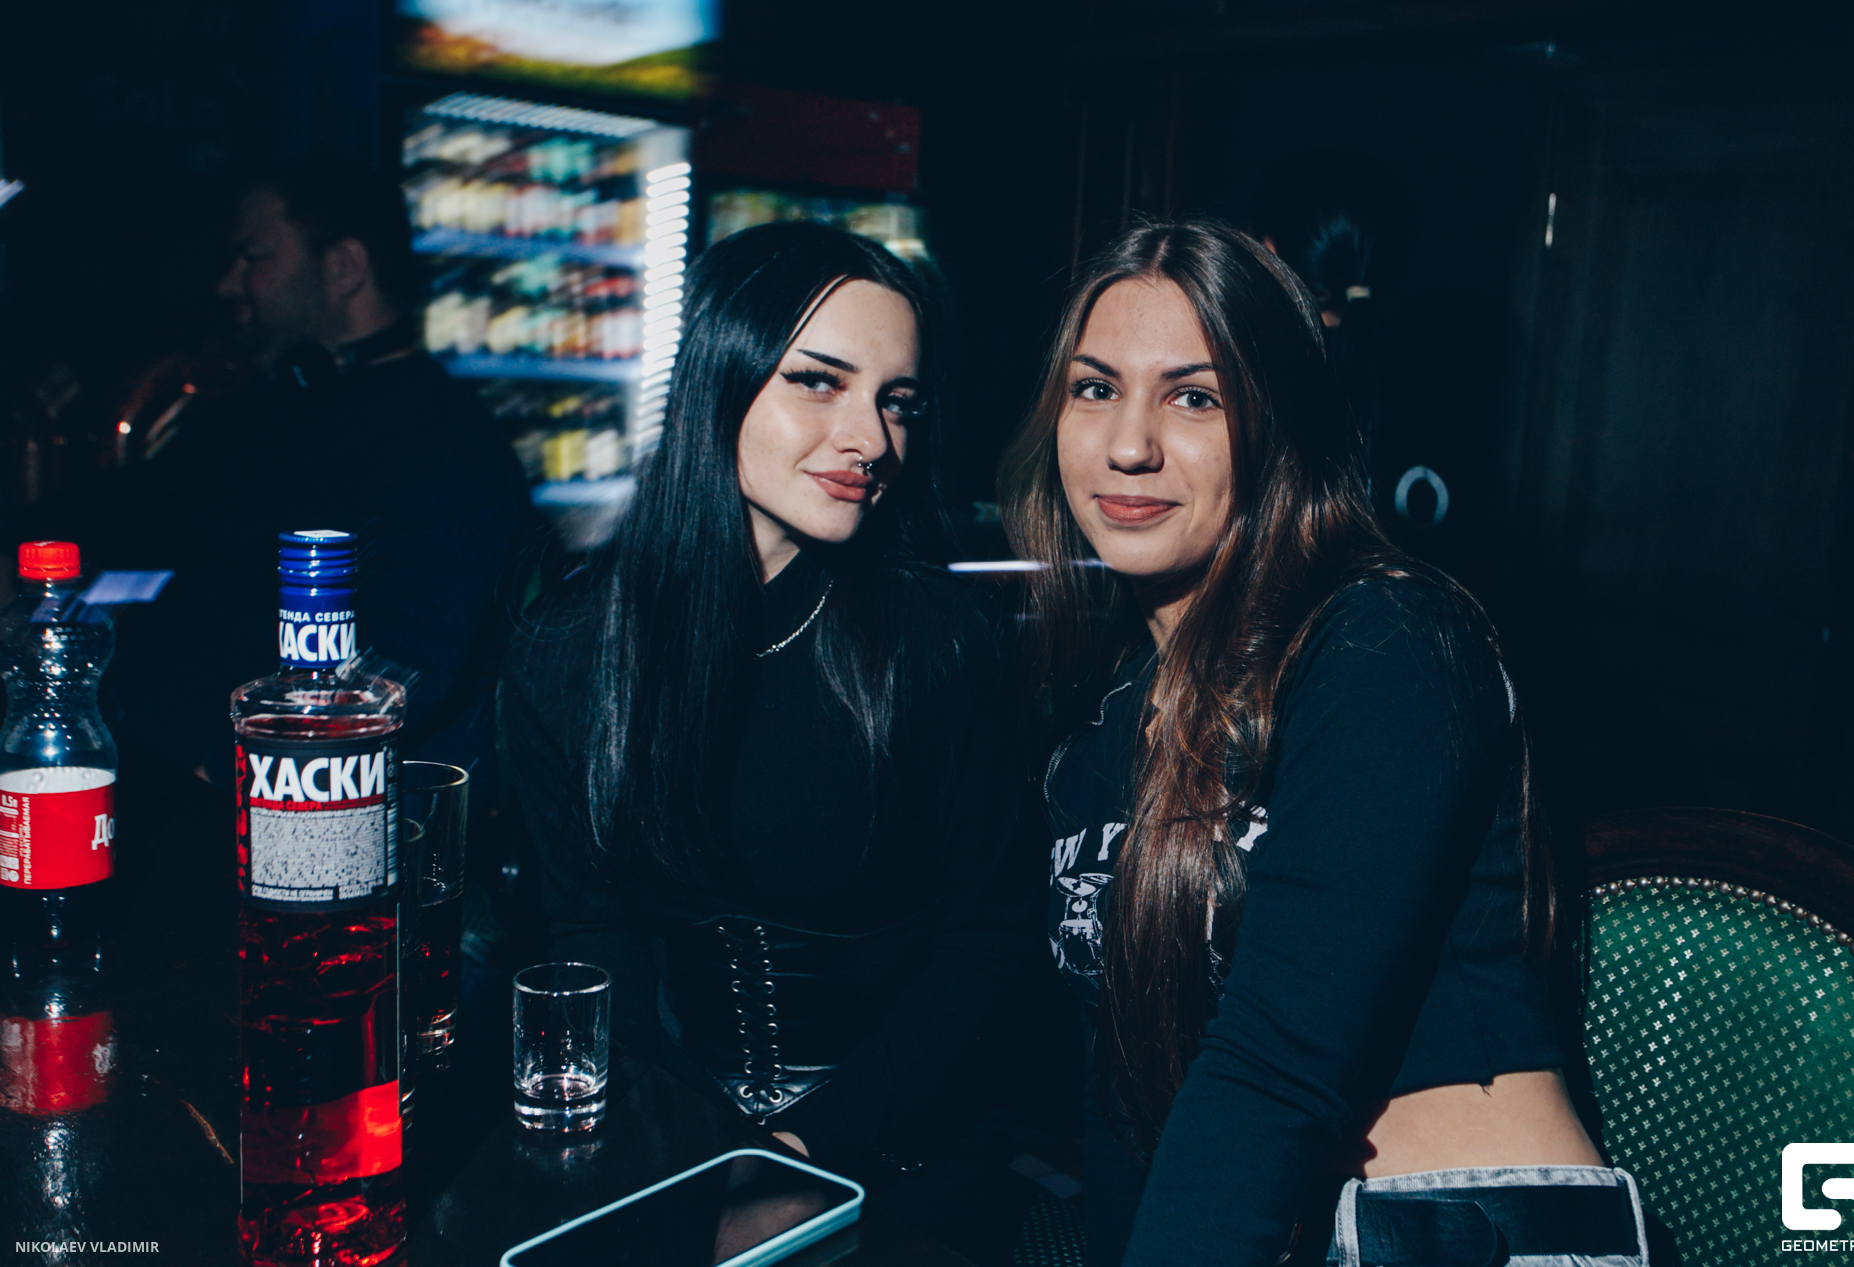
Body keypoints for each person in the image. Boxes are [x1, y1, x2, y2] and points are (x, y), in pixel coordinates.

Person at [999, 218, 1638, 1266]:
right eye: (1095, 387)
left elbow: (1276, 1060)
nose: (1128, 443)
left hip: (1461, 1229)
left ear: (1279, 426)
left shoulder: (1388, 642)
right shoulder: (1103, 720)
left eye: (1195, 397)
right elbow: (1125, 1105)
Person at [501, 223, 1036, 1195]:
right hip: (674, 1125)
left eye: (898, 402)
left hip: (903, 1143)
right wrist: (666, 1142)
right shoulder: (570, 648)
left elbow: (988, 943)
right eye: (819, 381)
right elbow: (591, 930)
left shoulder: (938, 643)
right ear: (717, 375)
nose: (871, 440)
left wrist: (799, 1150)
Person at [101, 153, 527, 793]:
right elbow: (156, 538)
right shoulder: (279, 408)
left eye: (255, 258)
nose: (229, 284)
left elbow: (409, 657)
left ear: (344, 267)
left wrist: (227, 765)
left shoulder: (442, 441)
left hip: (292, 809)